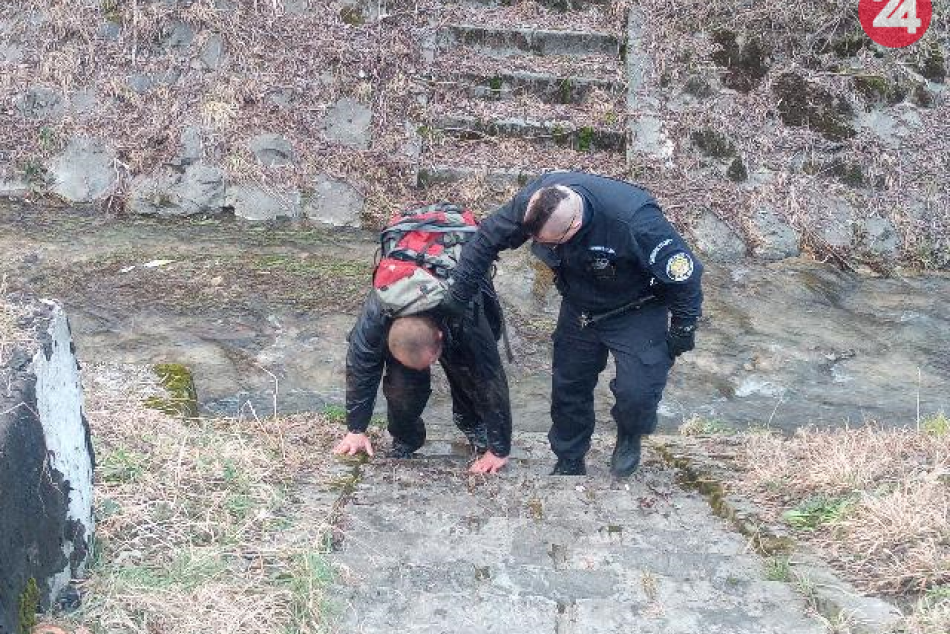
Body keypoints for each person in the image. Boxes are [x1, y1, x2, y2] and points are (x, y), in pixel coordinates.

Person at [440, 172, 703, 477]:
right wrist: (458, 296)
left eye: (549, 243)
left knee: (638, 392)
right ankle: (569, 457)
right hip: (580, 304)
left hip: (637, 306)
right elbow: (485, 239)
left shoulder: (635, 220)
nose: (540, 247)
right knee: (569, 387)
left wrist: (684, 326)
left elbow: (685, 274)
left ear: (574, 227)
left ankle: (630, 435)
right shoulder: (538, 201)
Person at [332, 275, 512, 474]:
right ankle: (406, 439)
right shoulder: (374, 321)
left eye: (428, 362)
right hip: (403, 310)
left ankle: (471, 422)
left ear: (440, 336)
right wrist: (356, 429)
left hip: (455, 308)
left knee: (468, 375)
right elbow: (360, 371)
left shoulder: (468, 320)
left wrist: (499, 449)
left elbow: (490, 380)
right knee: (402, 389)